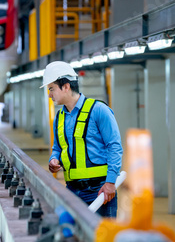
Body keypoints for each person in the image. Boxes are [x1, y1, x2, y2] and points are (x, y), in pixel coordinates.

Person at [40, 61, 123, 217]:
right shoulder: (60, 117)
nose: (49, 95)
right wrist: (53, 159)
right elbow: (58, 147)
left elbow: (114, 146)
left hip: (99, 190)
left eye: (51, 89)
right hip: (72, 190)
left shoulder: (98, 110)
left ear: (66, 86)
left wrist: (111, 182)